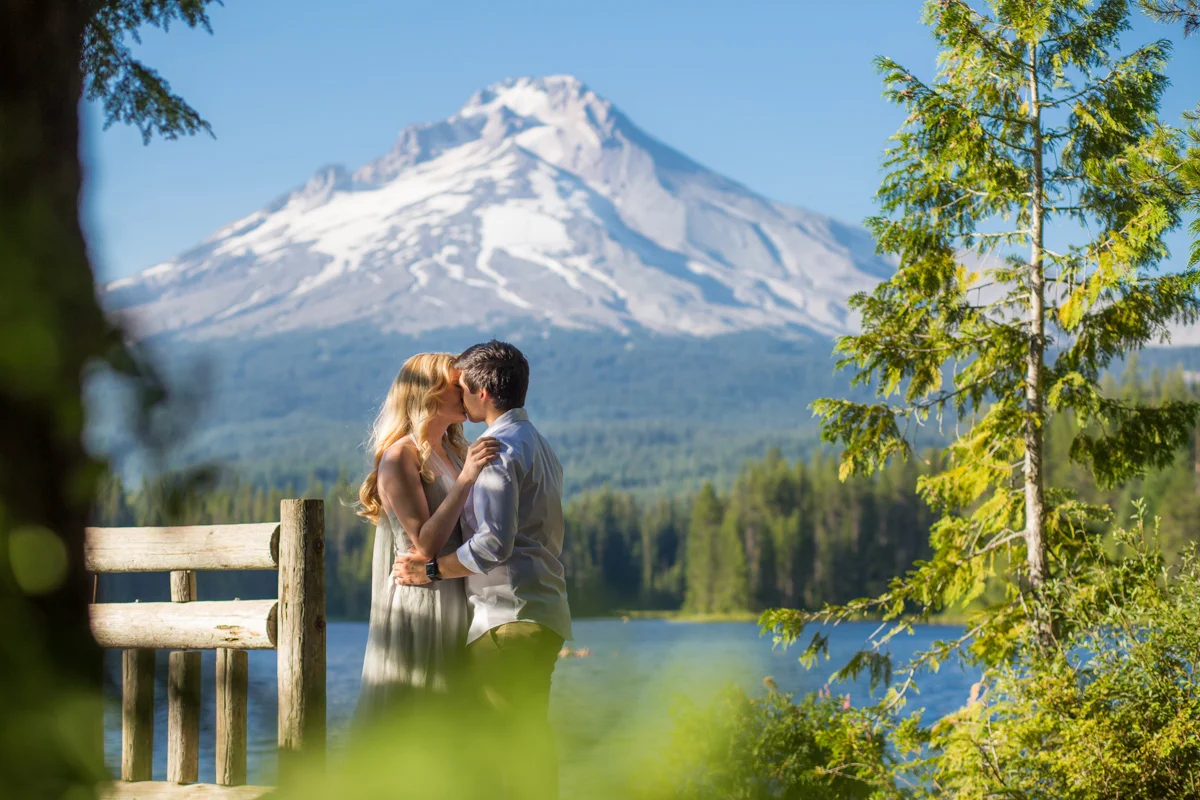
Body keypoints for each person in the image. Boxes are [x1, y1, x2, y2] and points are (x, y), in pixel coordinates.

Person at [394, 339, 572, 800]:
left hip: (506, 617)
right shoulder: (539, 445)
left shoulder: (498, 450)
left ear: (482, 393)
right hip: (544, 611)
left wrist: (432, 572)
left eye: (463, 389)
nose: (459, 397)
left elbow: (493, 543)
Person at [355, 352, 500, 711]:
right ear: (429, 392)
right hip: (423, 601)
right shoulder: (399, 457)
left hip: (460, 593)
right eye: (458, 385)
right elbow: (425, 543)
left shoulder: (453, 450)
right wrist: (466, 478)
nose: (469, 390)